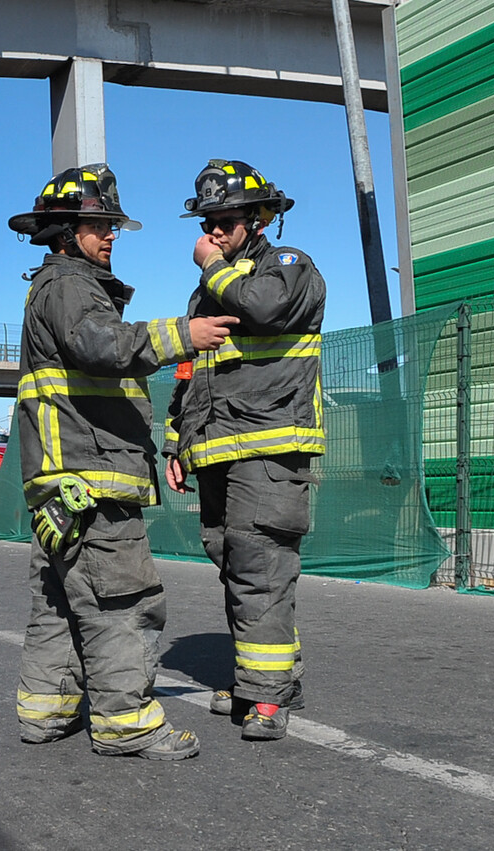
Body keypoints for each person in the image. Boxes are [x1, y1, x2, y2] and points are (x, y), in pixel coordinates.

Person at [8, 163, 237, 761]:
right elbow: (102, 346)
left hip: (62, 485)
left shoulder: (50, 287)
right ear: (65, 230)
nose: (110, 235)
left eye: (112, 224)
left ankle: (46, 711)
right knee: (122, 602)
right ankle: (127, 722)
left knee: (60, 602)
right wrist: (185, 334)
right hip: (94, 480)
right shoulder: (70, 287)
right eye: (99, 224)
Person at [163, 158, 326, 741]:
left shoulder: (288, 267)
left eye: (226, 219)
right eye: (208, 220)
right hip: (216, 451)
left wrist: (213, 267)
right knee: (233, 564)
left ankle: (266, 697)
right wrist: (177, 443)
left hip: (269, 450)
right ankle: (269, 676)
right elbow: (191, 373)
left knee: (259, 567)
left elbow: (264, 308)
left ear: (257, 218)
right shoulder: (208, 290)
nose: (213, 231)